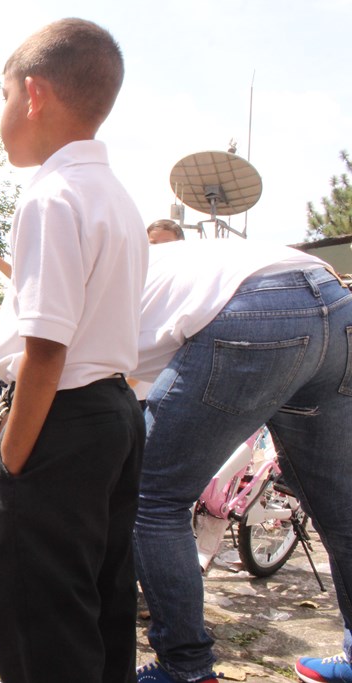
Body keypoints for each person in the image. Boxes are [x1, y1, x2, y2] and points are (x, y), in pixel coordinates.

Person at [0, 20, 147, 683]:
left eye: (2, 95)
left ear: (34, 93)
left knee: (38, 614)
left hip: (61, 418)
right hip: (114, 414)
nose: (2, 114)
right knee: (98, 606)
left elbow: (46, 351)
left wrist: (10, 463)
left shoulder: (50, 196)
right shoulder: (117, 198)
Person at [130, 239, 352, 683]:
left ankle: (185, 668)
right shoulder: (154, 259)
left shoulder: (90, 286)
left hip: (252, 310)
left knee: (151, 499)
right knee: (342, 508)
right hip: (333, 296)